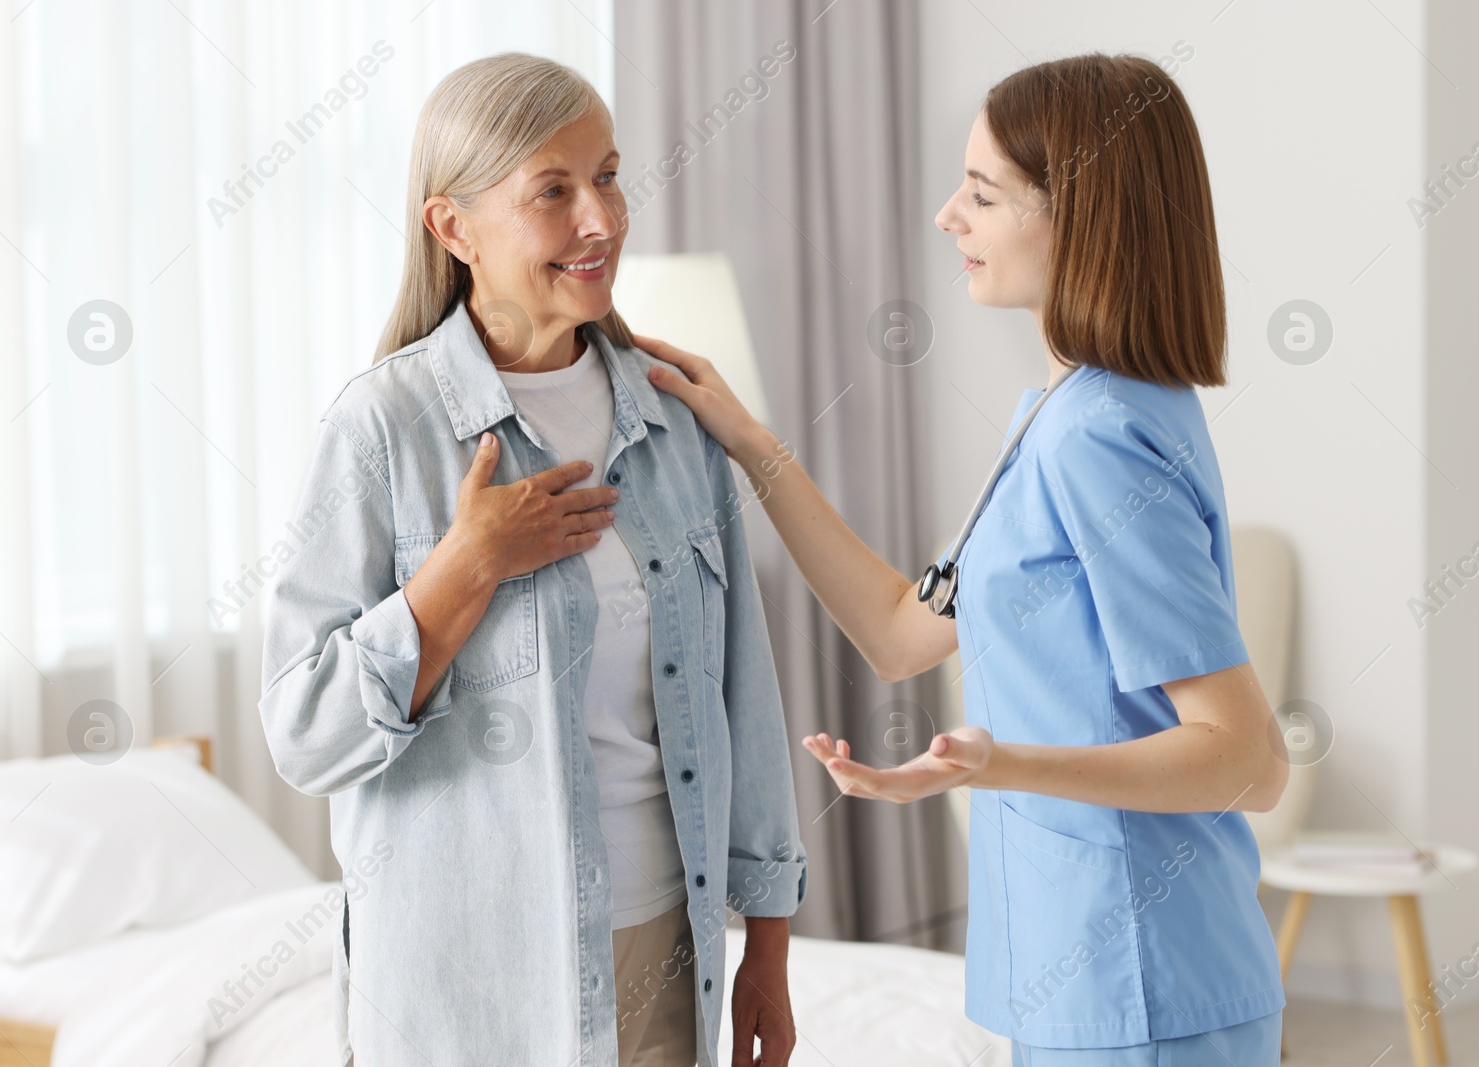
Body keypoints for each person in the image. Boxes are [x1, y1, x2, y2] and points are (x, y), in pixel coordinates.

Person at [638, 52, 1288, 1066]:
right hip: (1079, 971)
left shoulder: (1097, 436)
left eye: (983, 193)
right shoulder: (1058, 417)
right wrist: (754, 446)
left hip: (1141, 982)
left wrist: (994, 764)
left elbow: (1247, 757)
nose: (948, 215)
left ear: (1080, 217)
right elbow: (902, 631)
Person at [257, 53, 804, 1067]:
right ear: (453, 229)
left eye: (607, 175)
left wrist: (765, 942)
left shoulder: (673, 415)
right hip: (459, 978)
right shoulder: (382, 429)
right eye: (552, 190)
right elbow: (302, 733)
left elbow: (744, 692)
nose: (600, 220)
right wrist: (463, 569)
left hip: (664, 948)